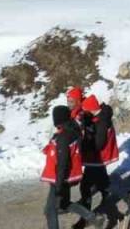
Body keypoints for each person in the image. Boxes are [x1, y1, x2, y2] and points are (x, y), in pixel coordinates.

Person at [41, 105, 88, 229]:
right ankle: (93, 217)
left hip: (59, 178)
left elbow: (62, 162)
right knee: (64, 204)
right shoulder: (71, 130)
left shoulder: (64, 136)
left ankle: (92, 217)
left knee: (50, 210)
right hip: (67, 176)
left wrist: (58, 186)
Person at [76, 94, 117, 226]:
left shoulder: (101, 121)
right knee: (103, 186)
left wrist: (84, 145)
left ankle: (90, 217)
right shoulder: (99, 117)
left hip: (97, 159)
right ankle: (110, 213)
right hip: (95, 159)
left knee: (87, 187)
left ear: (91, 109)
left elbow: (99, 143)